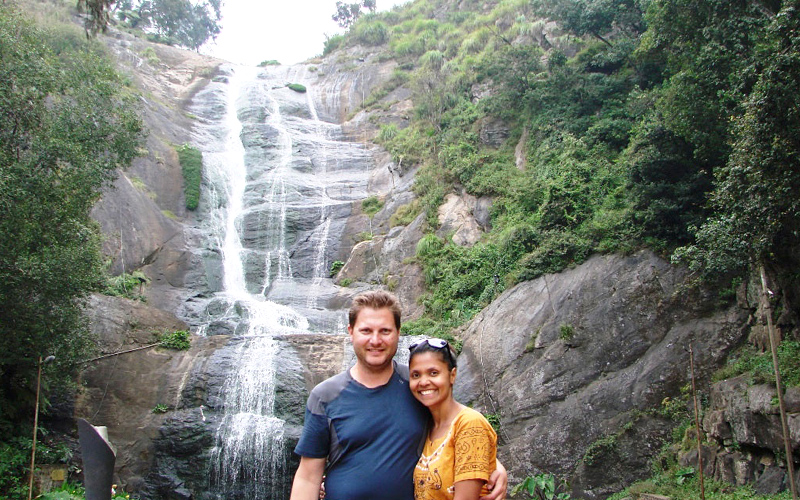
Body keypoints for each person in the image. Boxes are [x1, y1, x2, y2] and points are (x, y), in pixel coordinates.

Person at [290, 290, 507, 500]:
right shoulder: (325, 396)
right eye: (366, 331)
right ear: (350, 331)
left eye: (385, 331)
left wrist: (493, 464)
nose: (375, 340)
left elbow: (457, 427)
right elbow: (308, 477)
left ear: (398, 333)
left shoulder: (418, 387)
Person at [408, 338, 497, 500]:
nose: (423, 382)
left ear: (452, 375)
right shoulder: (426, 425)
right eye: (416, 375)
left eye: (433, 373)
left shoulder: (469, 424)